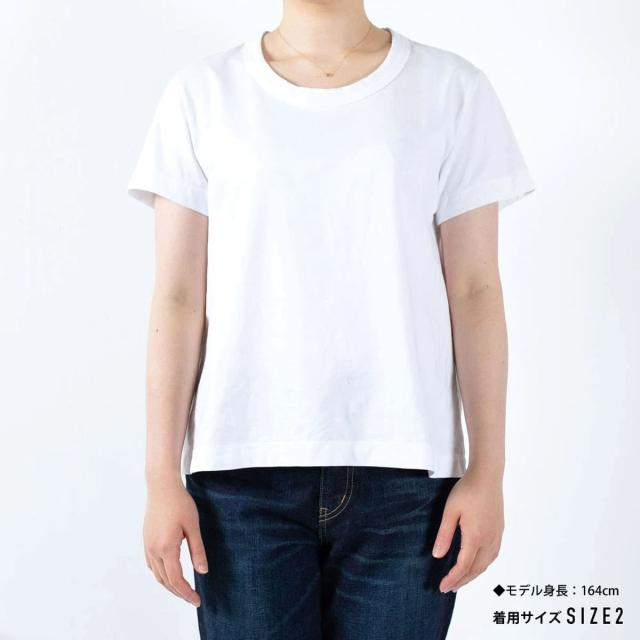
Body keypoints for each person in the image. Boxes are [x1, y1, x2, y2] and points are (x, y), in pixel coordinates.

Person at [127, 1, 535, 638]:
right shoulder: (202, 93)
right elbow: (178, 297)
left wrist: (488, 470)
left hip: (407, 475)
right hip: (241, 476)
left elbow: (476, 291)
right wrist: (160, 479)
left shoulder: (451, 89)